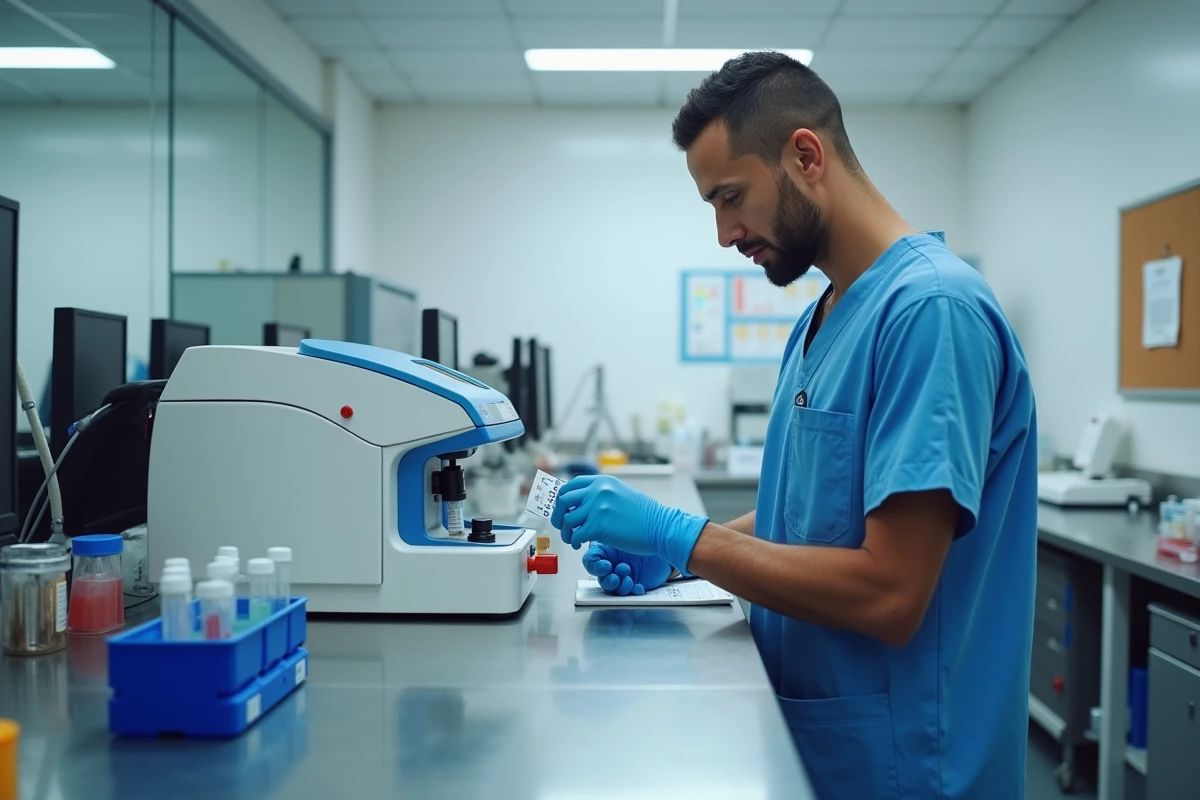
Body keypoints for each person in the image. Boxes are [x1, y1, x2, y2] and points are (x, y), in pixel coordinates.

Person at [551, 52, 1038, 800]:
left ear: (805, 155)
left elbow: (890, 593)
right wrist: (679, 559)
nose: (723, 233)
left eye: (732, 196)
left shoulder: (931, 313)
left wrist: (687, 538)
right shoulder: (826, 314)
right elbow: (808, 517)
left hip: (906, 765)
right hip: (821, 745)